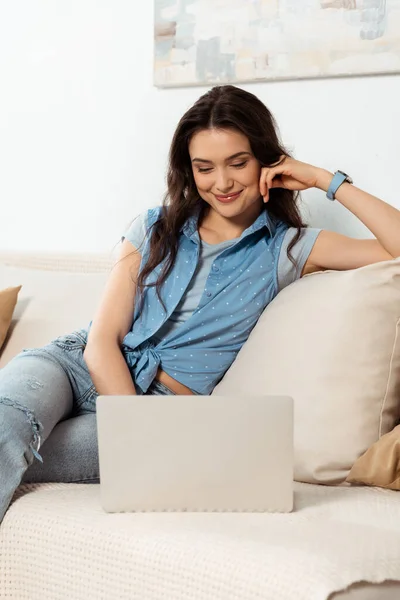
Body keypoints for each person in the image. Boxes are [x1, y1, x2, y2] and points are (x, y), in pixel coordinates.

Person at [1, 84, 399, 523]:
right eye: (204, 168)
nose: (222, 183)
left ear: (266, 160)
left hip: (165, 411)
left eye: (238, 163)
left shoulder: (288, 249)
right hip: (73, 365)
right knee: (6, 427)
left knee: (20, 446)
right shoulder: (154, 226)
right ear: (189, 171)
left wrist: (324, 179)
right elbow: (101, 342)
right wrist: (132, 428)